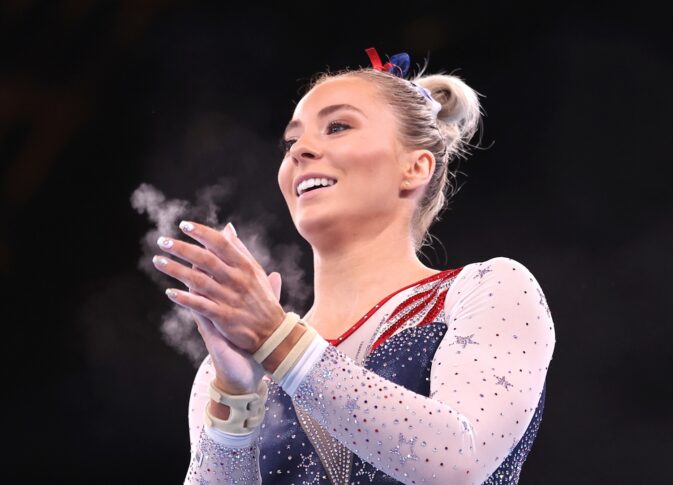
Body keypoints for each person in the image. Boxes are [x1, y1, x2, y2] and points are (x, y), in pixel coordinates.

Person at [152, 48, 556, 484]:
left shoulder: (489, 289)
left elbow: (456, 463)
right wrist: (236, 400)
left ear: (414, 167)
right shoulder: (231, 365)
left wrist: (277, 339)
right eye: (292, 142)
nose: (301, 151)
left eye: (338, 126)